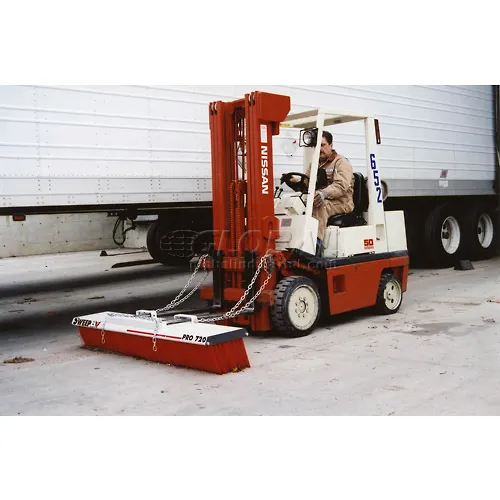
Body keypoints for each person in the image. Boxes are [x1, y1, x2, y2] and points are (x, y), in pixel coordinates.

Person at [305, 131, 354, 253]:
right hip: (323, 198)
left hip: (342, 202)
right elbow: (307, 181)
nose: (320, 149)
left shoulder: (340, 162)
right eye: (317, 146)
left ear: (331, 145)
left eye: (323, 145)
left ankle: (314, 246)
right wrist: (294, 180)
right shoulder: (314, 163)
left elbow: (341, 185)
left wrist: (323, 193)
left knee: (320, 205)